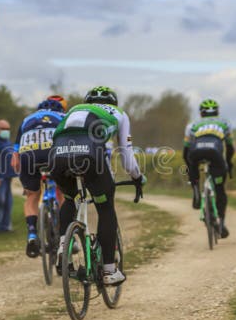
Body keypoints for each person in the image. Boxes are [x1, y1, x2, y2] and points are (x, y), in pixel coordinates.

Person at [49, 86, 145, 285]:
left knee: (69, 199)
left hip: (58, 157)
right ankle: (109, 271)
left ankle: (62, 247)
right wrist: (136, 176)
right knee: (105, 207)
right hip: (90, 158)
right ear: (114, 103)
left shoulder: (74, 110)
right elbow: (126, 155)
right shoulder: (119, 114)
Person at [12, 98, 66, 257]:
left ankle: (32, 234)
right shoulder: (63, 117)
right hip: (53, 154)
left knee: (32, 196)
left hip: (29, 155)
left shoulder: (27, 119)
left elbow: (15, 151)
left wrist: (17, 162)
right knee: (63, 192)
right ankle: (65, 236)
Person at [183, 99, 234, 239]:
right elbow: (230, 147)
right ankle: (221, 223)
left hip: (196, 151)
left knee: (191, 163)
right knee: (219, 190)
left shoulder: (192, 125)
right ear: (217, 112)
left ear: (201, 113)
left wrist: (190, 169)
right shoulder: (225, 123)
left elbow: (185, 151)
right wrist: (228, 164)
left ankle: (196, 192)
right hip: (215, 153)